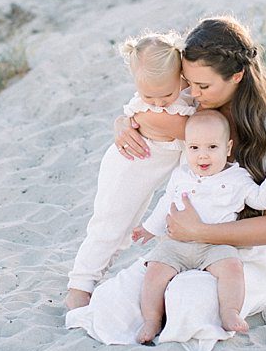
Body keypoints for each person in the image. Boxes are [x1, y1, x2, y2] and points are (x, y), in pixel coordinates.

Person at [66, 16, 266, 351]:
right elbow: (148, 108)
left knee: (187, 304)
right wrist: (126, 122)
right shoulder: (193, 106)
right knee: (115, 304)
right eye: (189, 83)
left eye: (202, 86)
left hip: (240, 252)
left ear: (237, 75)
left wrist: (199, 231)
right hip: (182, 244)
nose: (193, 94)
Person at [132, 110, 266, 343]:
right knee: (154, 272)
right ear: (186, 148)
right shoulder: (181, 175)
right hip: (177, 244)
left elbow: (261, 200)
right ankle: (151, 319)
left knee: (232, 268)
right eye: (194, 148)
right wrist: (149, 228)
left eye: (212, 147)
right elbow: (165, 203)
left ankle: (230, 311)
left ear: (228, 148)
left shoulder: (237, 178)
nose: (203, 156)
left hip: (216, 245)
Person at [64, 31, 196, 310]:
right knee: (109, 226)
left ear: (181, 77)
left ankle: (93, 279)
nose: (159, 103)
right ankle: (79, 287)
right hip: (127, 166)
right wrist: (127, 118)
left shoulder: (182, 92)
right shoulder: (160, 115)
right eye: (148, 96)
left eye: (166, 94)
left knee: (122, 232)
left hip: (148, 172)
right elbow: (196, 132)